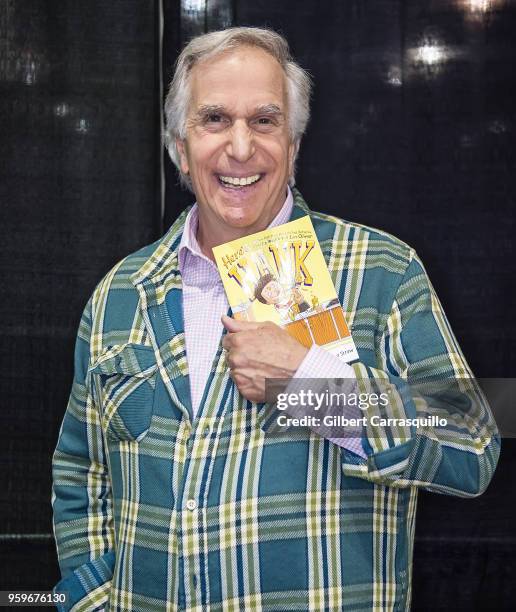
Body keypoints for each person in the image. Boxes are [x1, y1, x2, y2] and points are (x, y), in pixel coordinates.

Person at [51, 27, 500, 611]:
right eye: (214, 120)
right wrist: (94, 601)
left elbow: (472, 442)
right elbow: (80, 474)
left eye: (264, 121)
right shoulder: (120, 294)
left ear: (293, 144)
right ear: (180, 147)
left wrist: (313, 383)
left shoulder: (383, 271)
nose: (240, 148)